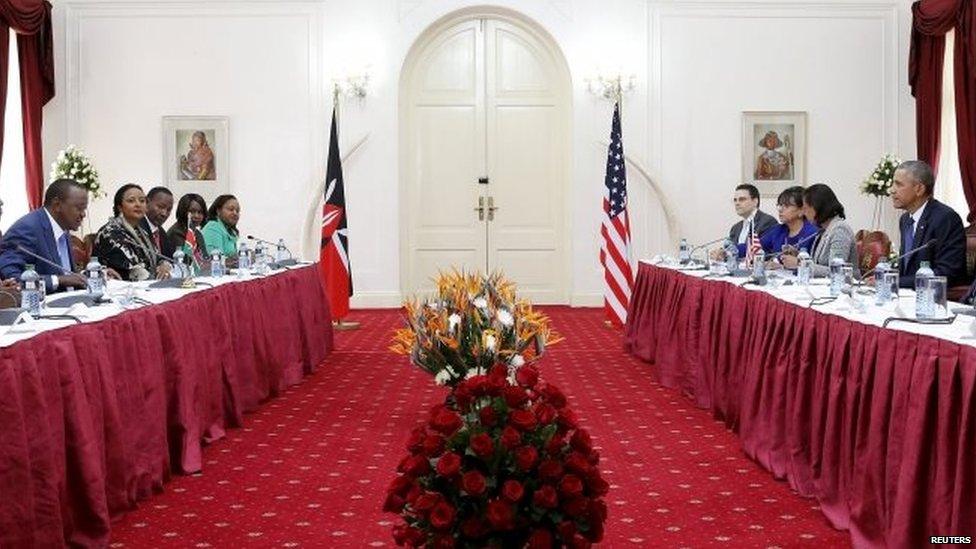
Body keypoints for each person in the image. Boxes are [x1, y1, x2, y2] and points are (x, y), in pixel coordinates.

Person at [0, 179, 89, 292]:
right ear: (57, 205)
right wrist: (58, 280)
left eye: (84, 209)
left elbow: (68, 275)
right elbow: (13, 279)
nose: (83, 214)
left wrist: (90, 275)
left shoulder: (63, 227)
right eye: (79, 208)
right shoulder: (27, 228)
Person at [890, 160, 966, 288]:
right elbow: (908, 269)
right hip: (907, 295)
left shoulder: (945, 218)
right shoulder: (905, 219)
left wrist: (896, 282)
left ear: (919, 189)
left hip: (936, 298)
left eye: (898, 184)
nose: (891, 190)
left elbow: (946, 273)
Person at [92, 184, 172, 281]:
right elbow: (134, 272)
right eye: (131, 201)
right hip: (118, 290)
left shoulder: (142, 232)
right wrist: (159, 277)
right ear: (120, 207)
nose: (138, 204)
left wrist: (164, 266)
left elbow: (158, 257)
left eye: (142, 201)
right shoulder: (110, 233)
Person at [781, 184, 857, 276]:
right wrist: (798, 255)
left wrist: (799, 263)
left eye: (805, 208)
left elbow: (836, 271)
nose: (804, 213)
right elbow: (818, 263)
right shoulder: (823, 230)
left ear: (817, 207)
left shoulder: (840, 230)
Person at [713, 184, 778, 259]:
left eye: (742, 199)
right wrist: (721, 253)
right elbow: (730, 250)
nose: (737, 203)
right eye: (735, 200)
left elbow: (765, 251)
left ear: (755, 201)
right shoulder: (735, 228)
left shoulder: (767, 221)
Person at [760, 186, 819, 254]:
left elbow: (815, 262)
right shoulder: (778, 230)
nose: (780, 210)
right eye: (780, 205)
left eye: (786, 206)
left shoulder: (813, 233)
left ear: (802, 211)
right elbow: (756, 247)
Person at [167, 193, 208, 265]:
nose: (196, 216)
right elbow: (186, 262)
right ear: (182, 211)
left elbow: (205, 259)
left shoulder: (197, 233)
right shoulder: (176, 232)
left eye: (200, 212)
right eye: (192, 211)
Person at [140, 186, 176, 259]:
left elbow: (170, 259)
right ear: (146, 202)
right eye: (160, 207)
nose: (164, 213)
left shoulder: (162, 233)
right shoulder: (137, 227)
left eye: (169, 210)